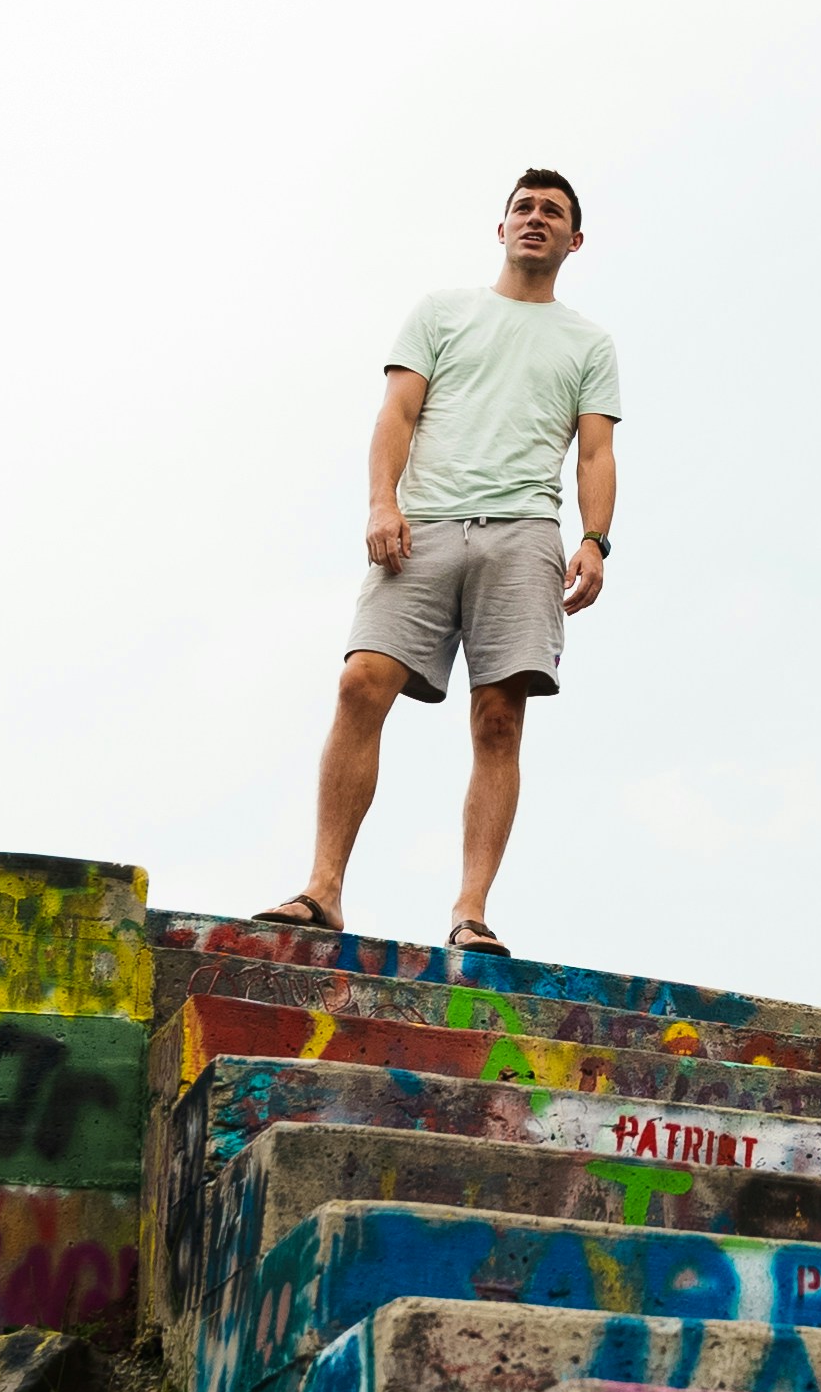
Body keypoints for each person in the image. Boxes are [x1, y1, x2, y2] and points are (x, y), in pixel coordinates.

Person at [260, 167, 621, 952]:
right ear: (500, 228)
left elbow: (596, 450)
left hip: (524, 532)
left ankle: (470, 911)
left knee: (499, 719)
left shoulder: (588, 342)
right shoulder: (442, 312)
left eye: (551, 212)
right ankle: (322, 891)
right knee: (361, 682)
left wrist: (595, 539)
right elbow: (397, 410)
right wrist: (381, 503)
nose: (535, 219)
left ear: (574, 239)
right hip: (422, 523)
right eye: (522, 208)